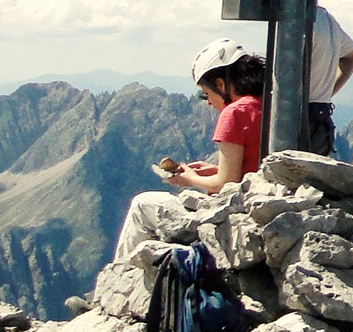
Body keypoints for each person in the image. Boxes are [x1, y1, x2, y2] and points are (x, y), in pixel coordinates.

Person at [112, 39, 267, 262]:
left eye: (206, 93)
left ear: (220, 84)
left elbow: (226, 183)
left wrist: (191, 179)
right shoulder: (265, 104)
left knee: (142, 204)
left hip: (231, 215)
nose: (208, 102)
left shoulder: (234, 113)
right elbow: (247, 169)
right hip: (255, 206)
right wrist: (212, 170)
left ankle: (120, 274)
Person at [306, 6, 353, 156]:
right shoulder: (327, 19)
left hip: (295, 122)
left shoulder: (299, 22)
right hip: (320, 122)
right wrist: (326, 93)